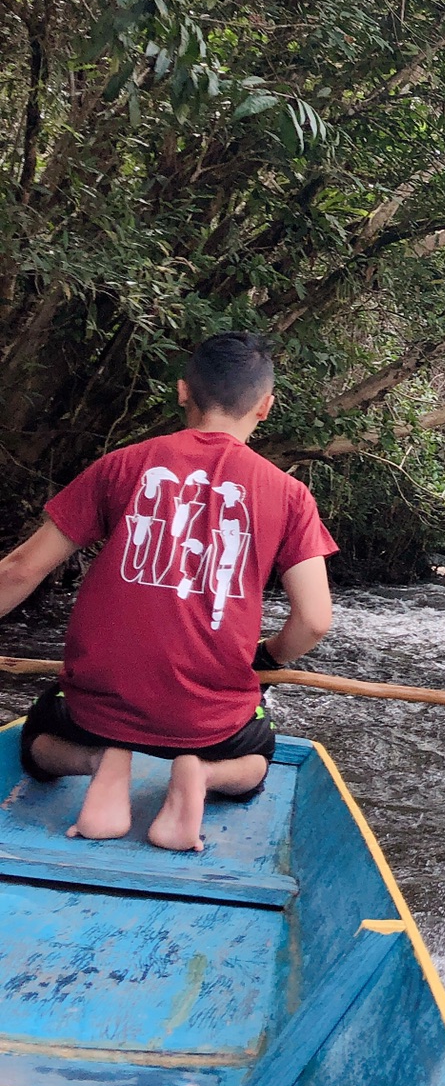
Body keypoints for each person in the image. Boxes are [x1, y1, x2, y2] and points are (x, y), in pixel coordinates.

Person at [0, 331, 336, 853]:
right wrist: (266, 657)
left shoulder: (121, 465)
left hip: (96, 709)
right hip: (213, 717)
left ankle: (100, 762)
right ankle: (199, 775)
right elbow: (314, 620)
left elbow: (21, 569)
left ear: (183, 392)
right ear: (266, 407)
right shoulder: (291, 496)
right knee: (254, 761)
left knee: (38, 744)